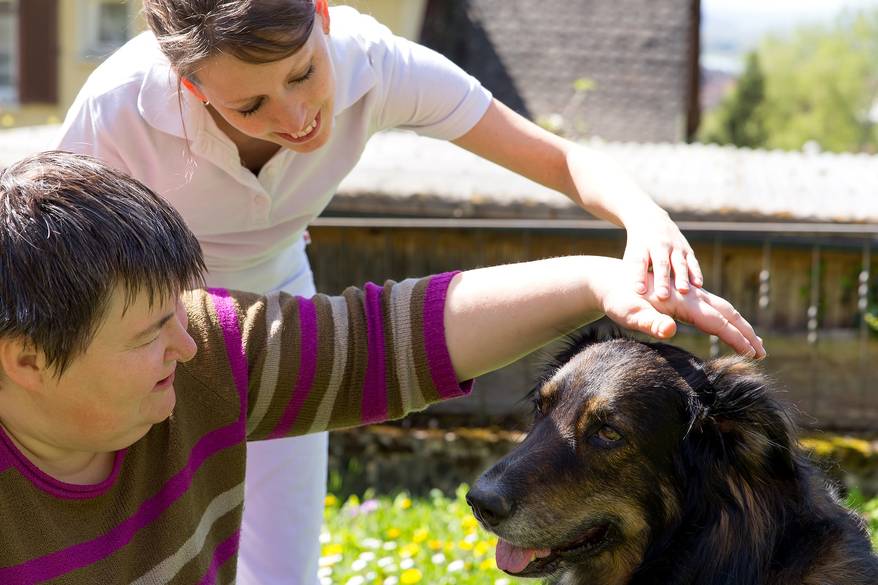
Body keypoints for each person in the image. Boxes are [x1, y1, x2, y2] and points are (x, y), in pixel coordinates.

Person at [56, 1, 707, 582]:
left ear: (323, 16)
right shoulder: (119, 107)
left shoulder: (377, 64)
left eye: (302, 73)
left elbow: (558, 159)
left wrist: (643, 218)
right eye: (250, 106)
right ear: (190, 86)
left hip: (285, 319)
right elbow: (54, 269)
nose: (295, 116)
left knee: (284, 566)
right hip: (148, 331)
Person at [0, 151, 761, 585]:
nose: (192, 345)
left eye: (181, 310)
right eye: (150, 333)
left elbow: (376, 339)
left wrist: (597, 281)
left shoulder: (207, 353)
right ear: (27, 358)